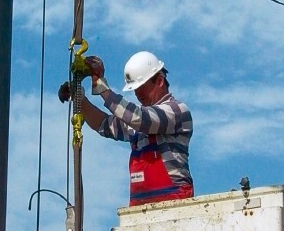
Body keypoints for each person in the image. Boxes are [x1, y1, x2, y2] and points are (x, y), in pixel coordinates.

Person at [60, 51, 194, 206]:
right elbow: (105, 125)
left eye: (141, 87)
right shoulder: (138, 124)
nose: (137, 93)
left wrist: (102, 88)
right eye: (134, 89)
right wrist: (79, 100)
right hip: (140, 207)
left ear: (159, 81)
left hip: (175, 203)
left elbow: (140, 118)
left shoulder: (177, 111)